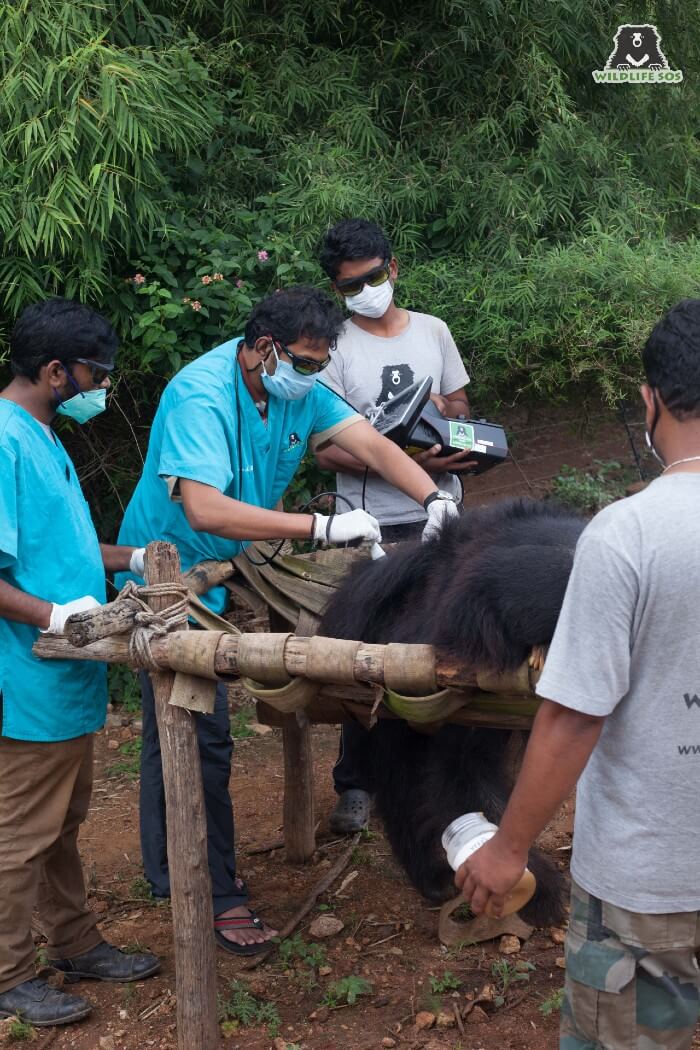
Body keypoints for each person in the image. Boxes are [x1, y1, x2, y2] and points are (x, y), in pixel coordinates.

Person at [116, 285, 458, 956]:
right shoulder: (202, 395)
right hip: (173, 574)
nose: (313, 375)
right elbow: (207, 510)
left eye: (320, 363)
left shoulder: (294, 386)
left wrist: (433, 495)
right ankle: (213, 893)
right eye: (304, 362)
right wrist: (320, 526)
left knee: (184, 724)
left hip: (240, 559)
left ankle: (167, 867)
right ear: (264, 347)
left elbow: (372, 444)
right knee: (194, 725)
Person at [456, 298, 700, 1048]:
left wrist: (507, 848)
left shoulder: (626, 535)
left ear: (649, 400)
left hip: (649, 883)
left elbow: (574, 715)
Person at [0, 299, 159, 1028]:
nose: (102, 387)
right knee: (20, 835)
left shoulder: (41, 435)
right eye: (96, 374)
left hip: (64, 675)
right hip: (27, 674)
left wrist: (129, 559)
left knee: (61, 823)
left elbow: (56, 547)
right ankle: (7, 976)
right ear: (55, 370)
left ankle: (72, 941)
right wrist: (51, 614)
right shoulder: (2, 440)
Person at [316, 218, 475, 834]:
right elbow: (326, 450)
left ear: (393, 267)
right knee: (367, 657)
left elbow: (461, 403)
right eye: (351, 285)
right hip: (372, 527)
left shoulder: (434, 331)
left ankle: (443, 784)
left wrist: (448, 425)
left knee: (441, 652)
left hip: (442, 517)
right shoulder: (332, 347)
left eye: (374, 277)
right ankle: (356, 784)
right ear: (337, 290)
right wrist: (400, 458)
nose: (366, 291)